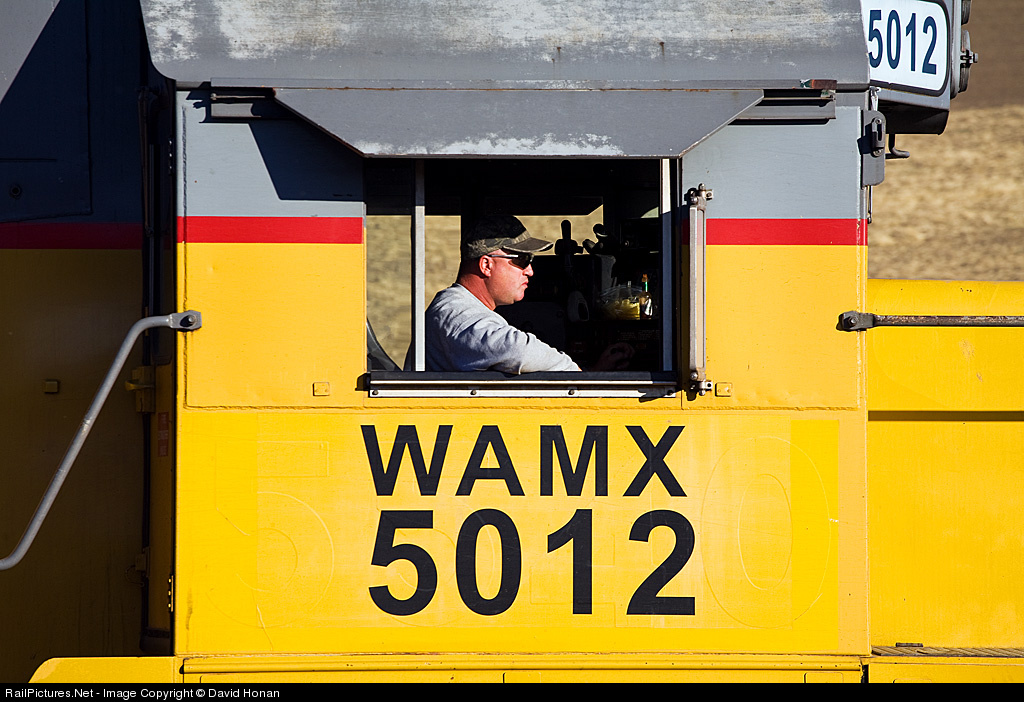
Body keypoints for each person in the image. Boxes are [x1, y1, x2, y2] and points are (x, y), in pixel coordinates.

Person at [407, 214, 632, 373]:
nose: (530, 271)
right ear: (486, 265)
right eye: (522, 260)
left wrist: (594, 371)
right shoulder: (453, 311)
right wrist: (578, 375)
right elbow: (516, 350)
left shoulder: (465, 310)